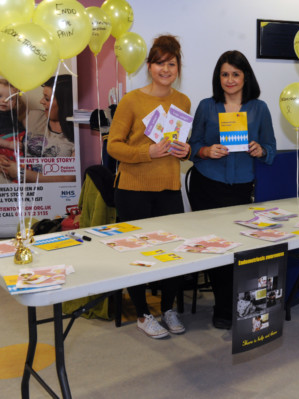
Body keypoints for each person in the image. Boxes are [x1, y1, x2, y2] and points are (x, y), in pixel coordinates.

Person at [107, 35, 192, 339]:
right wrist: (148, 152)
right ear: (149, 66)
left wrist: (186, 150)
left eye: (171, 63)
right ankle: (143, 314)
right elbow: (113, 146)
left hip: (168, 186)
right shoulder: (131, 100)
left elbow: (179, 142)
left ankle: (167, 308)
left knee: (172, 252)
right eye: (159, 63)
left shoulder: (183, 101)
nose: (165, 69)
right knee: (138, 253)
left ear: (178, 67)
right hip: (133, 188)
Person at [188, 50, 276, 330]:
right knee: (217, 250)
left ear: (245, 76)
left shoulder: (259, 108)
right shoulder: (206, 106)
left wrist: (260, 149)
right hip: (207, 185)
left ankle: (245, 306)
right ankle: (223, 307)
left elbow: (271, 149)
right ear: (218, 77)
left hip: (241, 189)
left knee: (241, 248)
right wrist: (205, 150)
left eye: (235, 74)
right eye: (224, 74)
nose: (230, 79)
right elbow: (191, 147)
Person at [0, 75, 77, 183]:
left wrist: (21, 172)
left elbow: (69, 179)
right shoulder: (33, 117)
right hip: (8, 192)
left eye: (47, 99)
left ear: (64, 103)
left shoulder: (78, 134)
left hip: (48, 197)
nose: (41, 101)